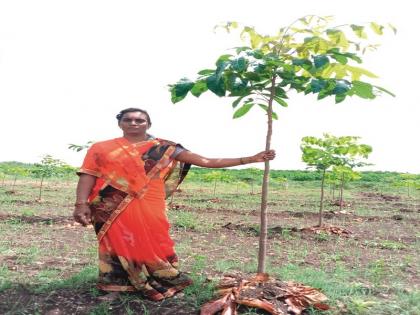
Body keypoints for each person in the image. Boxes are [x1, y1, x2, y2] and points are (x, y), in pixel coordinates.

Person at [74, 107, 276, 301]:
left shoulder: (165, 147)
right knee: (115, 242)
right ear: (119, 123)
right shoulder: (101, 148)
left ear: (148, 124)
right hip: (110, 204)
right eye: (128, 119)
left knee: (151, 240)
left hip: (150, 202)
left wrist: (250, 158)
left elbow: (206, 161)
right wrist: (80, 204)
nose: (133, 123)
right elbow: (88, 175)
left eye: (139, 120)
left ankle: (159, 277)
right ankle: (116, 286)